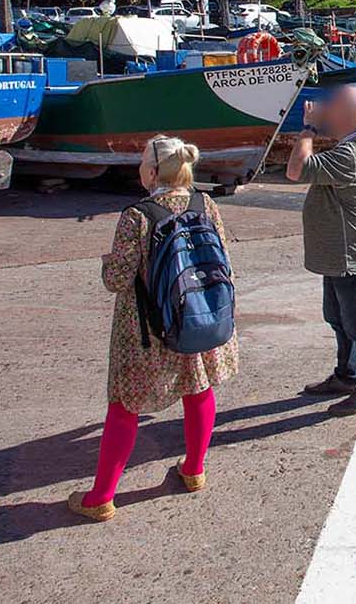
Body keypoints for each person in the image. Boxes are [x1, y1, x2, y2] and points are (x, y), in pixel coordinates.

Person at [69, 136, 238, 522]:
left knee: (124, 406)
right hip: (198, 314)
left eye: (143, 161)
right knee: (197, 389)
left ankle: (101, 497)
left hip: (146, 326)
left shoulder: (138, 215)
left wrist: (107, 261)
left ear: (152, 171)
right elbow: (223, 256)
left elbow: (116, 279)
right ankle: (194, 470)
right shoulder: (205, 203)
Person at [286, 85, 356, 416]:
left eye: (331, 105)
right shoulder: (350, 146)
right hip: (339, 256)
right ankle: (346, 376)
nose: (325, 108)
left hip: (351, 256)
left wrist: (309, 128)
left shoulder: (352, 154)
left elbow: (295, 169)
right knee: (339, 319)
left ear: (345, 115)